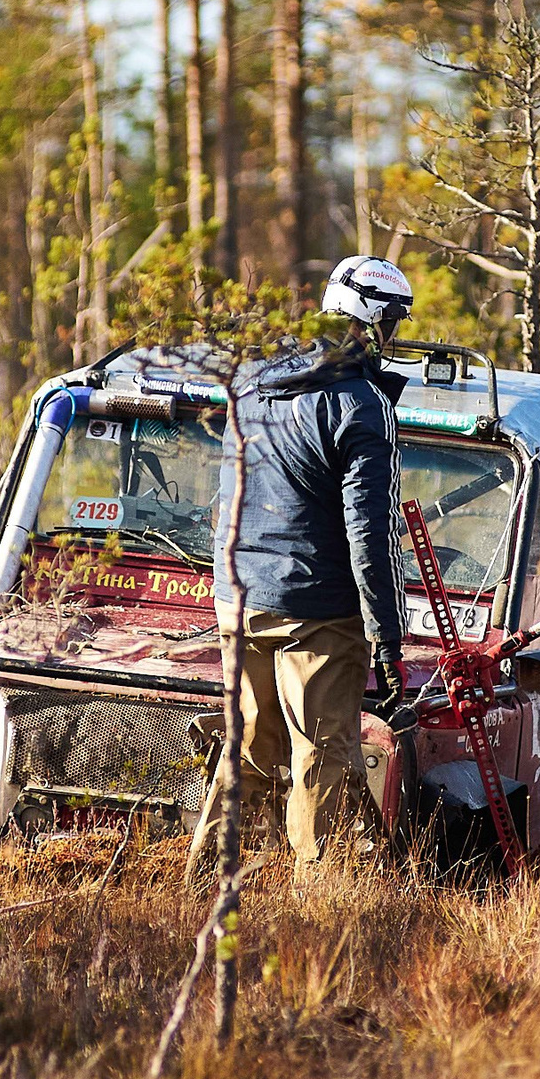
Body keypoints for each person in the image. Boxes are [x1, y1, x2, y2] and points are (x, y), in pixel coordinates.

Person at [210, 255, 418, 871]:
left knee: (244, 747)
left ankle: (205, 888)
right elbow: (371, 530)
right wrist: (386, 634)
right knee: (322, 756)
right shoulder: (361, 403)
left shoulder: (248, 383)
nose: (396, 333)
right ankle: (314, 901)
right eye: (396, 320)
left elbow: (231, 495)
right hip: (319, 613)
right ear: (377, 318)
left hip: (238, 598)